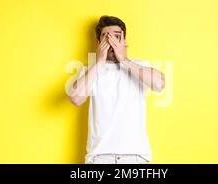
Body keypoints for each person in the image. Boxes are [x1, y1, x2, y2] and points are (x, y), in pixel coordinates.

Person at [68, 15, 165, 164]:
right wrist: (99, 61)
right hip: (99, 158)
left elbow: (160, 84)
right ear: (99, 43)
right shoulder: (90, 71)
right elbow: (75, 98)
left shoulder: (140, 65)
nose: (112, 43)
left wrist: (124, 60)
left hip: (135, 157)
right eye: (107, 38)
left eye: (117, 38)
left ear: (124, 42)